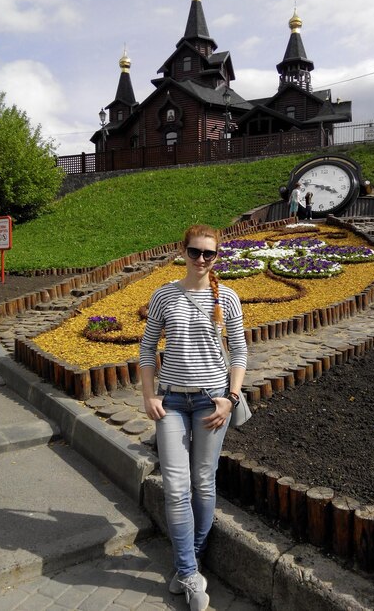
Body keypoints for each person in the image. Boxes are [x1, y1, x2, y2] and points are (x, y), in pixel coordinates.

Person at [139, 224, 247, 611]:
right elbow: (147, 348)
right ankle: (188, 572)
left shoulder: (228, 297)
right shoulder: (164, 295)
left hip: (210, 402)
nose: (201, 259)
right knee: (175, 485)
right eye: (194, 252)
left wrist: (231, 399)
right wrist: (149, 395)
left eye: (209, 254)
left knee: (203, 481)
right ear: (182, 251)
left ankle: (190, 560)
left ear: (217, 257)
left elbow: (240, 352)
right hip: (170, 403)